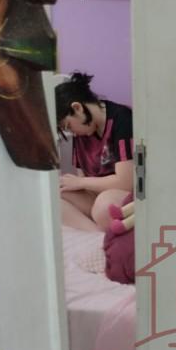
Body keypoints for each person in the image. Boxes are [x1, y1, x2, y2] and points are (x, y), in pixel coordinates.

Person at [55, 72, 135, 232]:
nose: (72, 133)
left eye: (68, 126)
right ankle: (96, 234)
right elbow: (82, 177)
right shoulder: (83, 131)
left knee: (103, 207)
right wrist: (75, 184)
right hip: (95, 195)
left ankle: (100, 228)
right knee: (54, 195)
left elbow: (126, 183)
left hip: (121, 195)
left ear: (77, 108)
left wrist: (81, 183)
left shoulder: (122, 119)